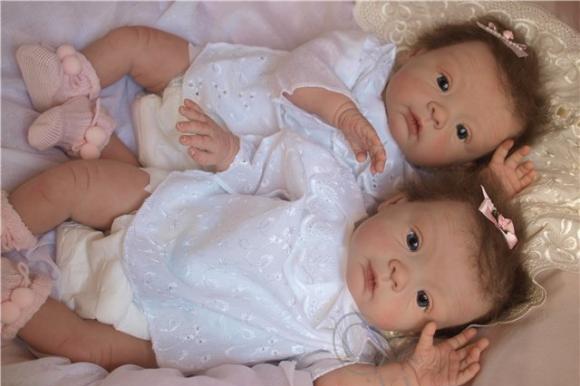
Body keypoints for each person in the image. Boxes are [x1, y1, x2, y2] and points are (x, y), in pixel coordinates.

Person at [1, 104, 531, 386]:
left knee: (89, 348)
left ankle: (14, 300)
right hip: (172, 211)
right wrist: (232, 152)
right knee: (81, 182)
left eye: (421, 298)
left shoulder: (349, 339)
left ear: (417, 329)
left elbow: (326, 384)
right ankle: (11, 223)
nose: (398, 274)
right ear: (395, 203)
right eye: (413, 243)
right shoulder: (336, 195)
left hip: (164, 328)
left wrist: (403, 381)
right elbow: (277, 161)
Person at [16, 16, 549, 210]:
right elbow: (300, 67)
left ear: (459, 163)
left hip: (218, 173)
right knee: (140, 43)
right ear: (416, 54)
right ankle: (72, 82)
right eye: (444, 83)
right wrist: (343, 113)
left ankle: (84, 130)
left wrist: (488, 190)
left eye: (461, 130)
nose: (437, 113)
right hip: (217, 83)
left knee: (130, 189)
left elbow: (443, 225)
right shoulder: (369, 58)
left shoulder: (408, 182)